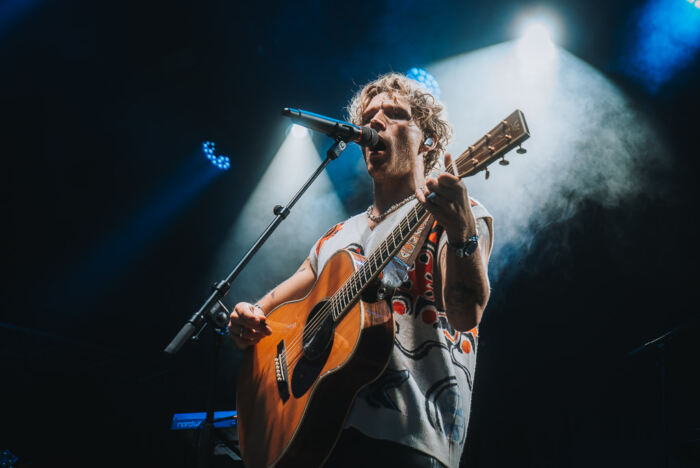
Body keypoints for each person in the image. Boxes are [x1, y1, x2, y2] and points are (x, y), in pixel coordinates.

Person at [227, 73, 493, 468]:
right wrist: (246, 317)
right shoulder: (336, 236)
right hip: (316, 437)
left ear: (429, 140)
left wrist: (461, 234)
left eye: (394, 114)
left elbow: (464, 312)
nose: (375, 122)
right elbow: (268, 312)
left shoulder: (459, 214)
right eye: (369, 116)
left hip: (407, 440)